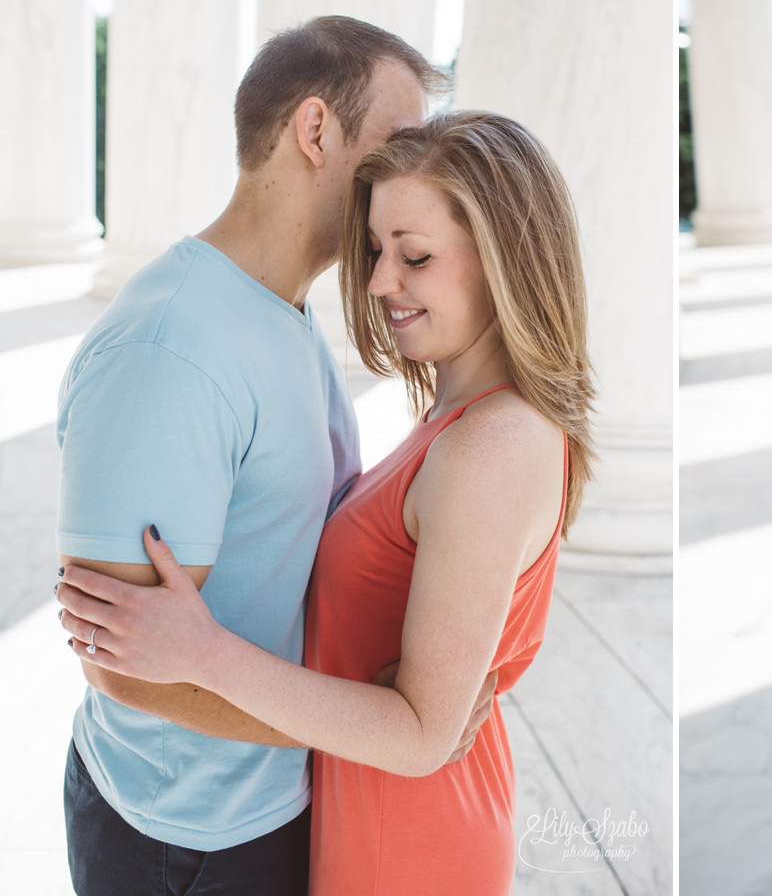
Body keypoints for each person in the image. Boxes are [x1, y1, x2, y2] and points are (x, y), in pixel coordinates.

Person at [59, 110, 596, 895]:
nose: (380, 283)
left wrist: (202, 652)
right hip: (360, 806)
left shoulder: (494, 445)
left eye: (415, 257)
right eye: (377, 251)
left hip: (410, 835)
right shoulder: (460, 419)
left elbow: (420, 736)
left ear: (503, 262)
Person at [48, 16, 478, 896]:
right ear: (315, 130)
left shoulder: (281, 308)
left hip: (265, 804)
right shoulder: (173, 350)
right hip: (182, 838)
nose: (412, 175)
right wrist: (376, 728)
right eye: (397, 144)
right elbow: (121, 663)